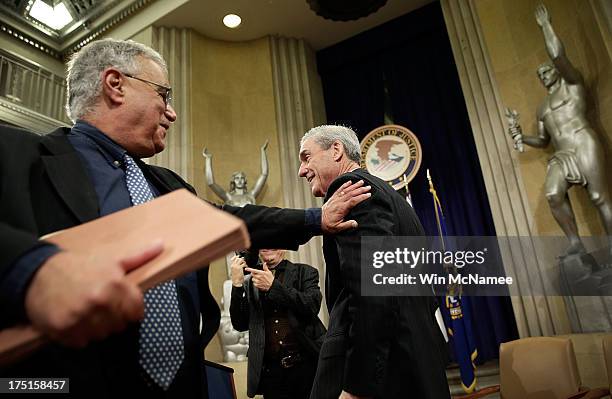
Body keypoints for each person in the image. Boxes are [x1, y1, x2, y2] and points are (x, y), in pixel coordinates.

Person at [0, 39, 371, 398]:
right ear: (116, 86)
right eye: (164, 95)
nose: (172, 112)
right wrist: (31, 270)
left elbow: (234, 220)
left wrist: (315, 218)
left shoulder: (166, 185)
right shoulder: (17, 154)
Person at [298, 125, 450, 399]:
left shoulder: (353, 192)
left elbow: (374, 295)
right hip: (414, 361)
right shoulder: (390, 196)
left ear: (336, 150)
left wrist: (358, 386)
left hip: (385, 376)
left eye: (306, 157)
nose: (301, 170)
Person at [506, 3, 612, 256]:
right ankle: (576, 244)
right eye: (539, 75)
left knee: (599, 198)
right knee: (553, 194)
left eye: (545, 71)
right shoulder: (542, 107)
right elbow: (543, 141)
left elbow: (557, 55)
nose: (542, 75)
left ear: (556, 71)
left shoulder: (572, 85)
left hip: (582, 141)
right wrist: (521, 135)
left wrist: (546, 26)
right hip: (562, 154)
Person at [229, 249, 325, 398]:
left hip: (306, 366)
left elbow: (311, 306)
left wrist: (273, 287)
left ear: (284, 247)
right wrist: (236, 285)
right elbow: (239, 324)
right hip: (271, 373)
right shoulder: (251, 281)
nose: (268, 245)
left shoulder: (304, 272)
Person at [202, 141, 268, 207]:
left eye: (242, 178)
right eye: (237, 178)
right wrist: (208, 159)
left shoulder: (252, 194)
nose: (239, 181)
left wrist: (263, 151)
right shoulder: (228, 196)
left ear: (245, 181)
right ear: (233, 181)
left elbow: (264, 174)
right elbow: (211, 183)